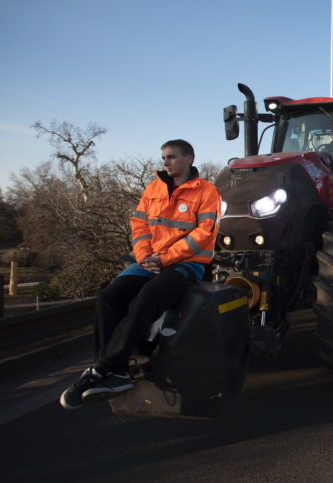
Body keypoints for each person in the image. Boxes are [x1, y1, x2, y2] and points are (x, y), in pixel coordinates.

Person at [60, 139, 221, 410]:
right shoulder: (153, 188)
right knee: (110, 297)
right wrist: (145, 256)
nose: (165, 162)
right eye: (163, 157)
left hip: (187, 263)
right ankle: (113, 371)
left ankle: (103, 369)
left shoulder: (206, 191)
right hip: (150, 260)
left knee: (147, 297)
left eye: (171, 157)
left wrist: (164, 258)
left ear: (189, 158)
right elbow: (139, 224)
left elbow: (205, 232)